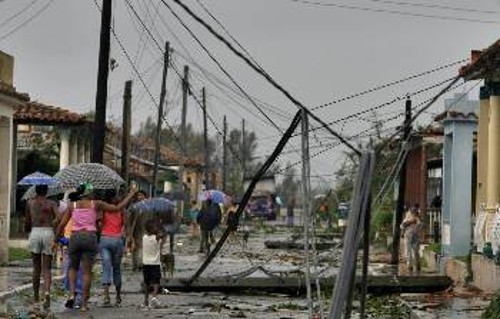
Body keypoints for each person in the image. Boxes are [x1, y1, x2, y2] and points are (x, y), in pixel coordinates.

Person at [55, 182, 137, 312]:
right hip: (90, 238)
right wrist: (131, 194)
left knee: (72, 267)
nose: (94, 193)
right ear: (89, 192)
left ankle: (71, 293)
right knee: (87, 272)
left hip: (75, 238)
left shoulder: (72, 205)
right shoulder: (96, 204)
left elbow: (61, 225)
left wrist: (57, 239)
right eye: (92, 191)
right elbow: (117, 208)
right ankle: (84, 304)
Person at [24, 184, 58, 309]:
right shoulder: (52, 203)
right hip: (48, 232)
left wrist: (28, 228)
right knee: (47, 268)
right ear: (47, 191)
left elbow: (27, 222)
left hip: (35, 232)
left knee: (36, 266)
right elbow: (58, 218)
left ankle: (36, 296)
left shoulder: (30, 203)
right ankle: (47, 293)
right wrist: (52, 224)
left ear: (35, 191)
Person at [99, 189, 127, 307]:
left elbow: (99, 223)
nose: (119, 198)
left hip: (104, 239)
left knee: (106, 268)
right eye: (117, 196)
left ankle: (106, 297)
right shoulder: (121, 209)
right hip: (117, 240)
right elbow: (126, 224)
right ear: (112, 198)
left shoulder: (103, 209)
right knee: (116, 268)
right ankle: (118, 296)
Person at [141, 219, 164, 310]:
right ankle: (154, 297)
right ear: (153, 230)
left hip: (146, 263)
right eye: (155, 227)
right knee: (156, 282)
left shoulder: (144, 237)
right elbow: (162, 234)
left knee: (146, 283)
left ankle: (146, 300)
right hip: (155, 264)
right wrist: (160, 225)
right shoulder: (156, 237)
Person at [127, 190, 148, 271]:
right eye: (138, 195)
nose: (140, 197)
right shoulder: (133, 207)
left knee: (143, 247)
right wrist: (129, 231)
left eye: (141, 195)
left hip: (146, 229)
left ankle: (141, 264)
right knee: (135, 247)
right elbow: (128, 218)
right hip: (135, 230)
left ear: (145, 196)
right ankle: (135, 265)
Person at [400, 205, 422, 272]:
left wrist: (412, 221)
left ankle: (418, 265)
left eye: (414, 213)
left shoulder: (418, 220)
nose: (413, 214)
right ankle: (410, 266)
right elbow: (402, 226)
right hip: (408, 237)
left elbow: (420, 225)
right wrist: (408, 223)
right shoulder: (407, 219)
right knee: (408, 251)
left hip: (416, 238)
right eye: (412, 212)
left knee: (416, 252)